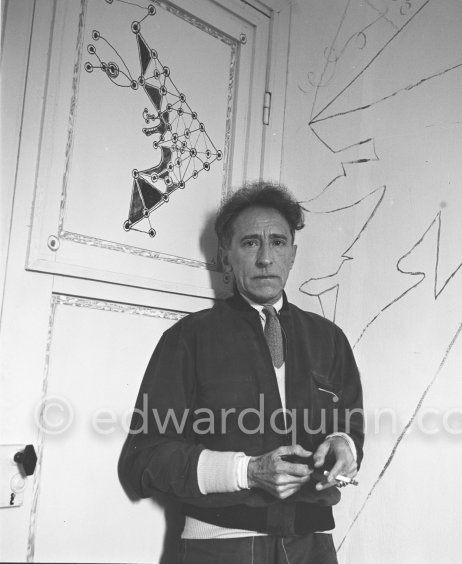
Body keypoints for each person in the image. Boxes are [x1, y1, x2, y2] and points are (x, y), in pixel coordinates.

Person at [119, 182, 364, 563]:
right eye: (250, 243)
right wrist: (247, 472)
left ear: (293, 255)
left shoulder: (328, 338)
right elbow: (144, 461)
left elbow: (351, 429)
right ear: (226, 258)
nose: (266, 258)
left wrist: (343, 446)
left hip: (313, 546)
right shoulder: (188, 338)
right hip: (219, 547)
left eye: (278, 243)